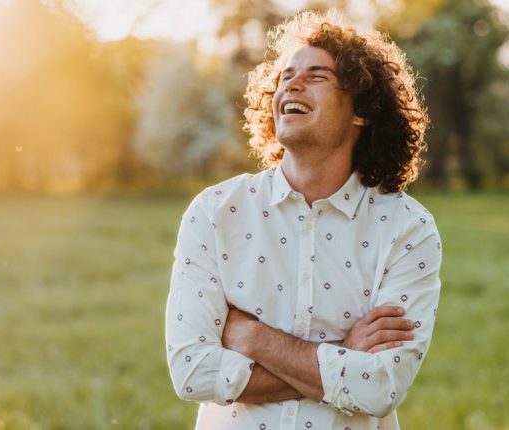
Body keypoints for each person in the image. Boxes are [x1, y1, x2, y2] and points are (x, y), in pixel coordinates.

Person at [165, 9, 442, 430]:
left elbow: (381, 387)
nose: (290, 84)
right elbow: (191, 371)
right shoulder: (215, 211)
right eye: (285, 76)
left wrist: (255, 340)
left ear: (362, 110)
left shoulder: (408, 228)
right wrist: (342, 354)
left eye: (317, 76)